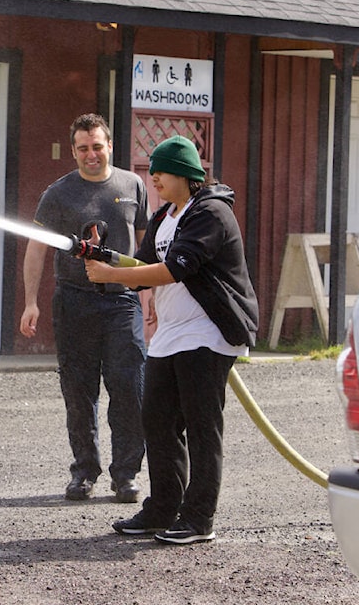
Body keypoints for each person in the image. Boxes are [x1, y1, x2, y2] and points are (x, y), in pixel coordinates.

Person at [85, 134, 258, 544]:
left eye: (159, 171)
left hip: (209, 331)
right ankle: (162, 509)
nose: (153, 178)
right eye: (151, 171)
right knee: (157, 422)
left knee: (201, 426)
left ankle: (198, 520)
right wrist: (102, 256)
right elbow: (144, 263)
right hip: (171, 334)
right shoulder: (165, 217)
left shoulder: (211, 213)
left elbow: (173, 270)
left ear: (184, 173)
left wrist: (113, 276)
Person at [20, 113, 149, 503]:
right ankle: (84, 472)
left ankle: (126, 475)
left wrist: (153, 295)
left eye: (97, 146)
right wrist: (30, 302)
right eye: (83, 148)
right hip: (74, 301)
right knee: (79, 391)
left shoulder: (133, 185)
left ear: (109, 145)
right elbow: (35, 249)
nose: (91, 154)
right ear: (74, 151)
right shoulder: (58, 193)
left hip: (122, 302)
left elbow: (145, 248)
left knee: (129, 386)